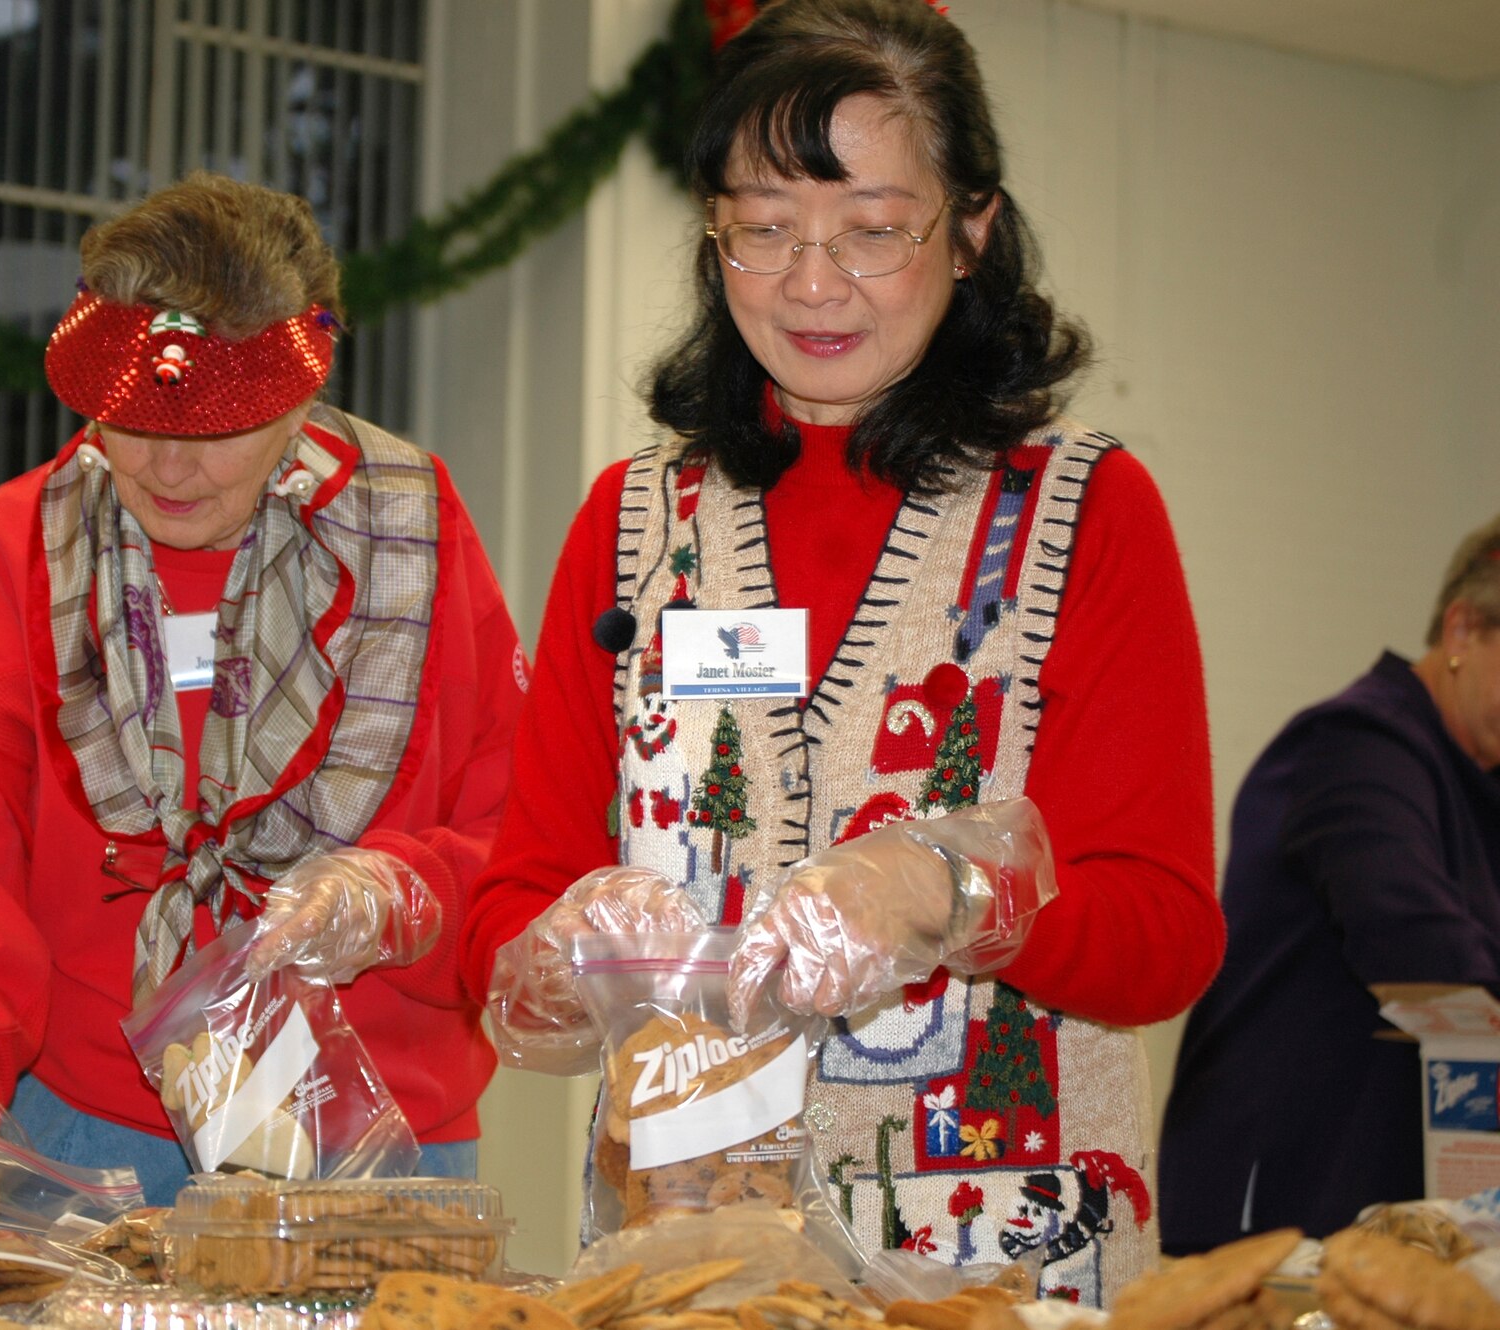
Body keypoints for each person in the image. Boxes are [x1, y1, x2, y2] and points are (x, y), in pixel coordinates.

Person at [460, 0, 1222, 1303]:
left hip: (1001, 1248)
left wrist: (959, 897)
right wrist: (563, 941)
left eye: (873, 229)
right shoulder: (637, 523)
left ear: (972, 228)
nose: (812, 284)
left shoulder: (1082, 511)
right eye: (762, 229)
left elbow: (1166, 935)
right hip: (692, 1243)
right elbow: (508, 906)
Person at [0, 172, 528, 1220]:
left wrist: (403, 892)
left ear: (303, 396)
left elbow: (512, 817)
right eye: (127, 420)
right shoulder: (7, 550)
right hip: (79, 1129)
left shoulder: (415, 535)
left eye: (220, 428)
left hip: (376, 1131)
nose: (168, 466)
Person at [1159, 516, 1500, 1252]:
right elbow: (1417, 942)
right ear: (1464, 630)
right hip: (1288, 1189)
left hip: (1388, 1196)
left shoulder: (1478, 779)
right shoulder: (1355, 746)